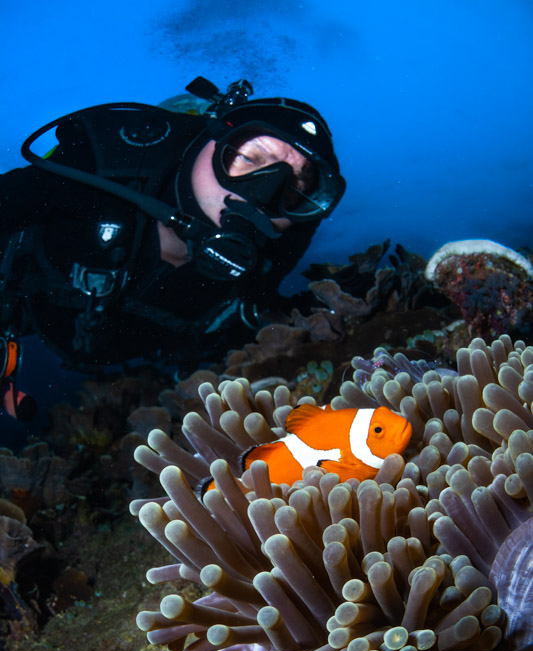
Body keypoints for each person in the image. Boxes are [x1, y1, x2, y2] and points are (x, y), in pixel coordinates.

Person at [0, 77, 345, 420]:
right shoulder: (100, 166)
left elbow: (261, 319)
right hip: (28, 307)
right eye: (250, 158)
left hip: (142, 359)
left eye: (293, 188)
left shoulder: (284, 240)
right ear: (206, 140)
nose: (263, 196)